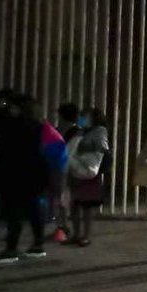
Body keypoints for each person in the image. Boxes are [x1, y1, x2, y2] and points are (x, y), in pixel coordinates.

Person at [0, 93, 67, 263]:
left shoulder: (13, 126)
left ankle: (11, 249)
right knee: (32, 209)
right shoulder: (38, 125)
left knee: (14, 211)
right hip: (35, 172)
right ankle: (37, 245)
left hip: (15, 172)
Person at [63, 107, 110, 247]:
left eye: (86, 117)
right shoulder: (78, 131)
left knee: (87, 206)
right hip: (75, 170)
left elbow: (101, 151)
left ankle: (86, 236)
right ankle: (76, 234)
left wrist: (80, 148)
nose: (82, 119)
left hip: (89, 173)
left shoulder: (100, 132)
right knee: (75, 204)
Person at [50, 102, 80, 243]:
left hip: (64, 169)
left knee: (63, 199)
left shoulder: (72, 133)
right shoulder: (77, 132)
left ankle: (63, 227)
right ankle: (62, 227)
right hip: (65, 169)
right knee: (61, 198)